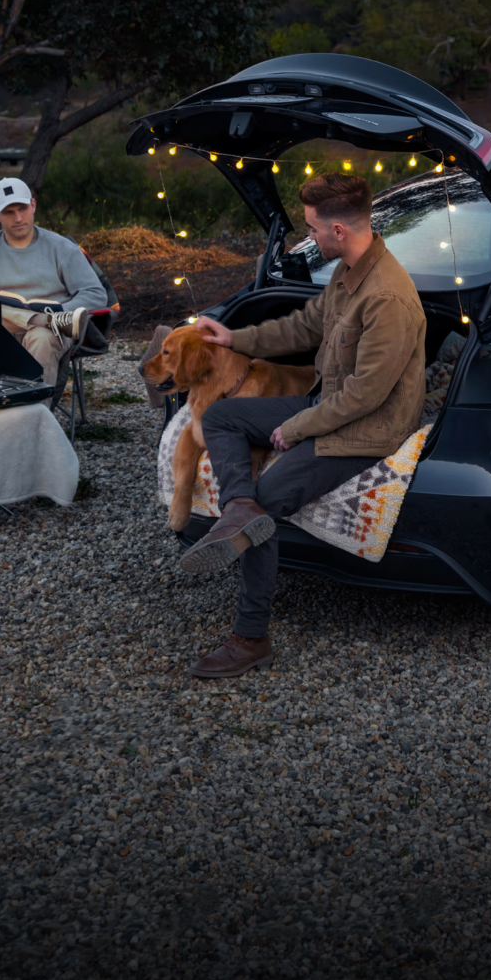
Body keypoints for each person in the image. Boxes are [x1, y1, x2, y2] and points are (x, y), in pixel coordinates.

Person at [180, 172, 427, 677]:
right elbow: (304, 325)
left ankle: (250, 638)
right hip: (332, 402)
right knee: (223, 416)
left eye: (314, 229)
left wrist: (296, 429)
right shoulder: (347, 271)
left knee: (269, 501)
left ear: (339, 231)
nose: (309, 238)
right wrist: (234, 339)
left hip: (367, 427)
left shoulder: (388, 298)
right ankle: (237, 508)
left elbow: (366, 396)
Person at [0, 177, 107, 386]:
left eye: (23, 209)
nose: (18, 218)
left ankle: (34, 415)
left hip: (49, 331)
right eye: (9, 212)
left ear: (33, 205)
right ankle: (40, 318)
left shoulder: (62, 248)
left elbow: (96, 294)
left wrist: (61, 311)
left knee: (42, 337)